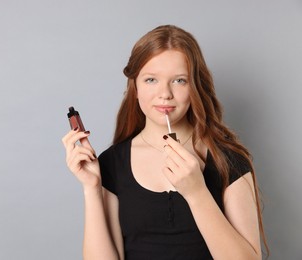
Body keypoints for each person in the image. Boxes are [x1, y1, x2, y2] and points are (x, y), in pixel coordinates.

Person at [62, 25, 268, 259]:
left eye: (179, 81)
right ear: (135, 88)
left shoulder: (228, 161)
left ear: (195, 87)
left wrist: (196, 192)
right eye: (151, 80)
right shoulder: (112, 164)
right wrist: (92, 188)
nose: (165, 94)